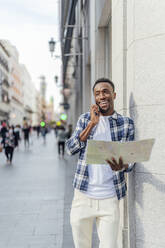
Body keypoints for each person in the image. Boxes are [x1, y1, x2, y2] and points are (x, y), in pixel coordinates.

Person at [66, 78, 135, 248]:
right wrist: (91, 125)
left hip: (110, 198)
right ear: (94, 98)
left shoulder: (126, 124)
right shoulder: (85, 119)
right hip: (83, 197)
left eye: (105, 92)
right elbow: (70, 149)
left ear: (114, 95)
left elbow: (131, 159)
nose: (101, 96)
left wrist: (123, 165)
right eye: (97, 93)